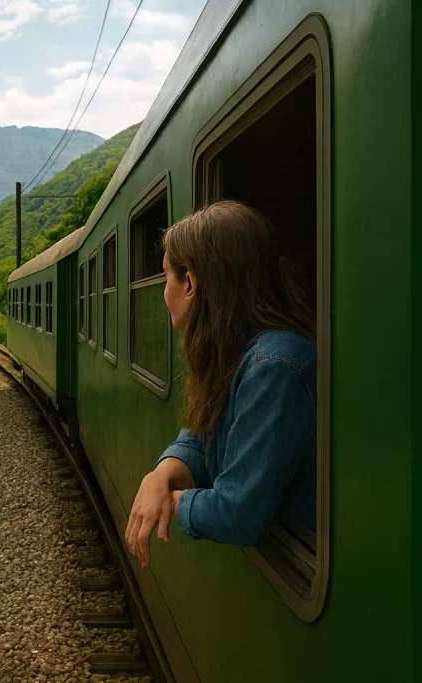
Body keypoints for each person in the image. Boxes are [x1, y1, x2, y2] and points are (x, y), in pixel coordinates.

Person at [125, 200, 317, 569]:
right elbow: (203, 436)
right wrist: (161, 474)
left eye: (167, 276)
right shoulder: (240, 349)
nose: (164, 292)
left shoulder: (274, 367)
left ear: (191, 284)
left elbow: (238, 512)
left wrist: (170, 501)